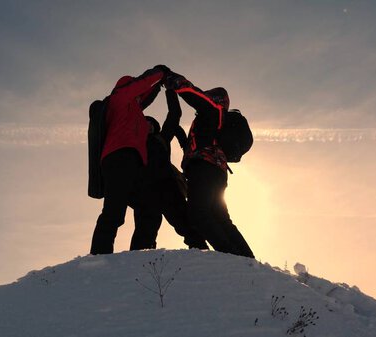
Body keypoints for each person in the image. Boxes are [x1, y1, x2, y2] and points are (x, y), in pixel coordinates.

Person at [165, 72, 255, 258]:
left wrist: (172, 79)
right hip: (216, 169)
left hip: (205, 168)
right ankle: (246, 260)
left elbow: (192, 92)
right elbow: (199, 145)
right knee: (221, 219)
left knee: (199, 214)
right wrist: (182, 136)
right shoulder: (212, 121)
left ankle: (230, 257)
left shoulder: (213, 109)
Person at [90, 65, 169, 255]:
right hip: (118, 157)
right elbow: (142, 84)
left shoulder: (137, 113)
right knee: (114, 212)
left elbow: (147, 93)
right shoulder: (119, 98)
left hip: (135, 163)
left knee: (150, 209)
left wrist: (159, 86)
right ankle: (99, 256)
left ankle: (140, 257)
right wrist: (160, 73)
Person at [129, 89, 209, 251]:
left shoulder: (162, 138)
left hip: (168, 189)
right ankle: (138, 265)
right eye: (145, 122)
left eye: (152, 123)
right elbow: (132, 112)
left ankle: (202, 254)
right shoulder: (131, 144)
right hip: (144, 193)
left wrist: (169, 90)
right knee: (144, 234)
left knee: (187, 225)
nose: (148, 125)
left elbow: (174, 114)